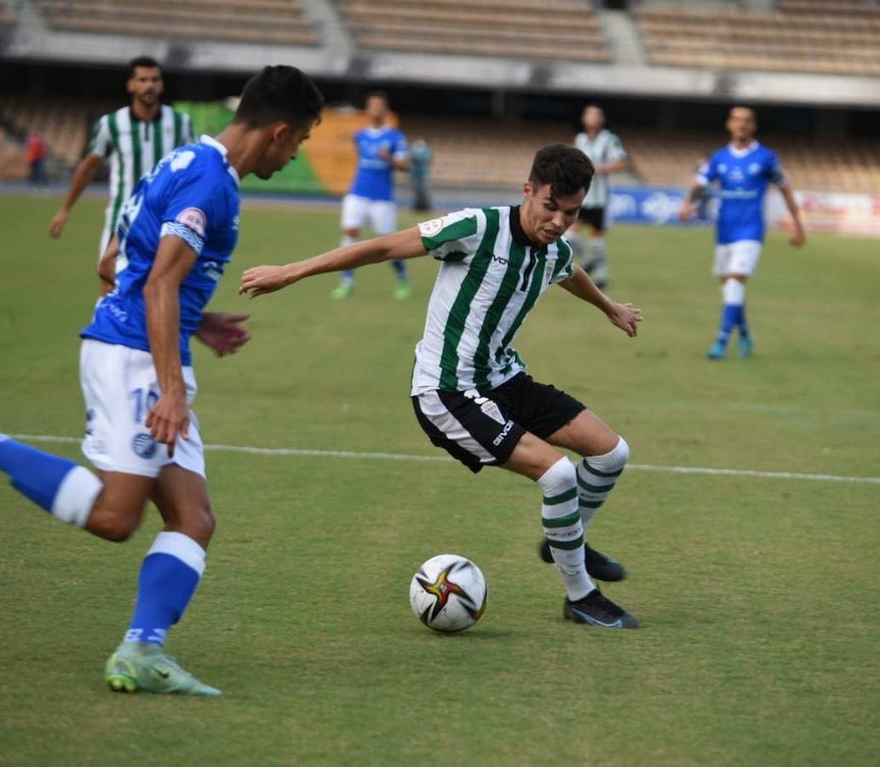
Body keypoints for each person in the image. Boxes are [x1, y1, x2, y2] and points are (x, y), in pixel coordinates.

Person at [0, 65, 325, 696]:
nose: (294, 156)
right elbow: (157, 284)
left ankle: (141, 651)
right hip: (135, 358)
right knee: (116, 516)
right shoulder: (211, 184)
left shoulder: (181, 161)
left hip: (140, 345)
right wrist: (170, 388)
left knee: (193, 518)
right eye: (300, 142)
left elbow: (114, 260)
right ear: (279, 131)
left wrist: (195, 321)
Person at [242, 144, 643, 629]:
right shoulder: (477, 228)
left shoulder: (554, 249)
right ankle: (581, 596)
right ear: (528, 190)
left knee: (611, 453)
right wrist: (290, 271)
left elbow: (569, 271)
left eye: (572, 212)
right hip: (447, 391)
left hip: (505, 378)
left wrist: (608, 306)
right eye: (550, 207)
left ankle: (567, 538)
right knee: (558, 476)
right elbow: (383, 247)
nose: (559, 222)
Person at [49, 56, 195, 290]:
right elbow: (89, 166)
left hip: (166, 221)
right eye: (143, 80)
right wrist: (65, 209)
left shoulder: (180, 123)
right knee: (110, 289)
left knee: (164, 290)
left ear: (162, 85)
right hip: (121, 219)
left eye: (155, 80)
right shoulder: (112, 123)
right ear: (131, 85)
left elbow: (193, 170)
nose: (149, 85)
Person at [678, 106, 805, 360]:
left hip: (751, 230)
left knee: (735, 282)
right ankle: (745, 333)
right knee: (730, 289)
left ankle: (721, 341)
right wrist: (687, 203)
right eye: (737, 120)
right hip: (725, 231)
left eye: (746, 121)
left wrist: (798, 225)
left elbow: (785, 188)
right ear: (729, 125)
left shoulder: (766, 157)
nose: (741, 124)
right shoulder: (719, 158)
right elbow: (700, 182)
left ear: (753, 126)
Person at [330, 91, 411, 300]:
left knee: (388, 242)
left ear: (385, 110)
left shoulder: (395, 136)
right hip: (357, 193)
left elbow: (405, 166)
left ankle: (402, 278)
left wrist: (390, 158)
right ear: (367, 109)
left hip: (382, 197)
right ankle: (347, 282)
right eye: (372, 105)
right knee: (350, 232)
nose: (375, 109)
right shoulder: (360, 135)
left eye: (379, 106)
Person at [567, 105, 628, 290]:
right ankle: (587, 261)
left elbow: (621, 163)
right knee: (570, 235)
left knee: (597, 240)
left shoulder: (609, 139)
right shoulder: (580, 139)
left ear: (602, 119)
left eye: (595, 115)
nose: (591, 118)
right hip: (582, 197)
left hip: (600, 199)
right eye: (588, 114)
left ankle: (602, 276)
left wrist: (598, 168)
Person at [409, 136, 433, 212]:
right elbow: (411, 158)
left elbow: (426, 159)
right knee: (416, 190)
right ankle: (417, 206)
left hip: (423, 173)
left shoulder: (426, 150)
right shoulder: (414, 149)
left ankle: (425, 206)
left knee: (424, 190)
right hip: (415, 173)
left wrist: (417, 158)